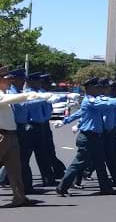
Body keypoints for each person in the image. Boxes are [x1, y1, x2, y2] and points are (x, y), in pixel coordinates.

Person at [54, 77, 116, 196]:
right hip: (88, 137)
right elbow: (110, 103)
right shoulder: (90, 101)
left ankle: (105, 187)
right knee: (78, 163)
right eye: (97, 87)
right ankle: (62, 187)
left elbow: (81, 113)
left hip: (95, 137)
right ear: (90, 88)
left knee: (100, 163)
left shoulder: (95, 100)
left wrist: (66, 121)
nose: (100, 89)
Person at [0, 66, 50, 207]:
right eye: (7, 78)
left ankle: (19, 197)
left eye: (10, 77)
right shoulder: (3, 95)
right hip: (1, 136)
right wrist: (35, 95)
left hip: (11, 135)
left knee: (16, 169)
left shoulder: (6, 92)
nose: (10, 80)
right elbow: (10, 99)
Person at [22, 72, 57, 186]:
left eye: (40, 81)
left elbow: (48, 107)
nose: (39, 83)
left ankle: (48, 179)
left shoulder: (42, 93)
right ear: (29, 82)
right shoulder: (27, 93)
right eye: (36, 81)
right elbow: (30, 104)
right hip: (30, 126)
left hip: (42, 125)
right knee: (24, 156)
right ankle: (6, 178)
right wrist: (45, 99)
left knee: (43, 154)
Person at [39, 73, 67, 180]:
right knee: (25, 154)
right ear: (42, 83)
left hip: (45, 124)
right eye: (48, 83)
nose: (50, 85)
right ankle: (5, 176)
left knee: (49, 151)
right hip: (35, 126)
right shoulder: (38, 95)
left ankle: (57, 172)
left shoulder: (46, 94)